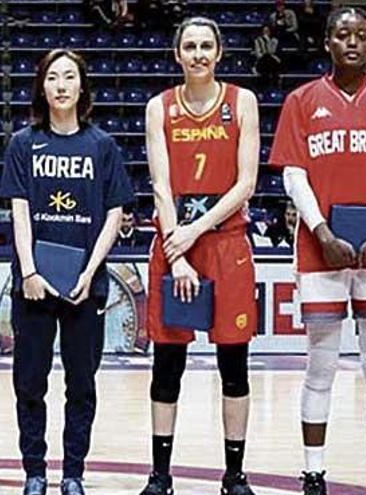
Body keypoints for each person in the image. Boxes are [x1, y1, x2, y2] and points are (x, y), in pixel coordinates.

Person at [268, 7, 366, 495]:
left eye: (361, 34)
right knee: (322, 362)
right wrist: (321, 233)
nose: (352, 42)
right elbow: (293, 175)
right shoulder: (302, 100)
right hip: (322, 247)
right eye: (343, 35)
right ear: (327, 43)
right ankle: (313, 471)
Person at [0, 49, 134, 495]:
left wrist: (90, 273)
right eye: (52, 77)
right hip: (34, 287)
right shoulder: (23, 144)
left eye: (69, 76)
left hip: (84, 286)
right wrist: (31, 272)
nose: (60, 85)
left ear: (81, 86)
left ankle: (73, 473)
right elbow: (19, 211)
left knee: (82, 385)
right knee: (29, 384)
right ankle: (34, 472)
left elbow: (114, 214)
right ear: (42, 86)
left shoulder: (102, 146)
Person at [139, 16, 261, 495]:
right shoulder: (159, 108)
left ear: (220, 52)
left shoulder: (242, 102)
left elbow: (246, 183)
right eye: (189, 46)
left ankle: (234, 475)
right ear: (177, 54)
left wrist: (194, 231)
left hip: (225, 243)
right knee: (168, 365)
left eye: (206, 45)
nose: (198, 54)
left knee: (235, 365)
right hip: (174, 247)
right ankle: (160, 475)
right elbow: (160, 184)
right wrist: (178, 250)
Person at [253, 24, 283, 88]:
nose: (266, 32)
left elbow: (274, 53)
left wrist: (268, 42)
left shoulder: (275, 41)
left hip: (273, 62)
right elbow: (258, 54)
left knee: (270, 60)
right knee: (266, 58)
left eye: (267, 31)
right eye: (264, 31)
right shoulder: (257, 41)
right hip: (262, 62)